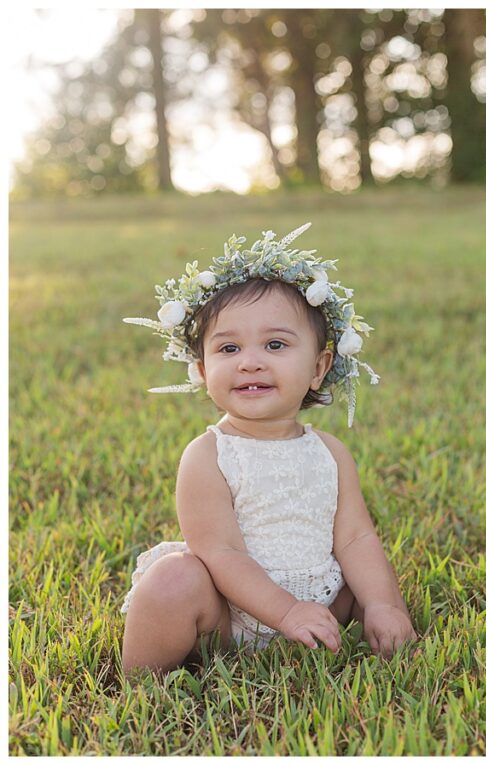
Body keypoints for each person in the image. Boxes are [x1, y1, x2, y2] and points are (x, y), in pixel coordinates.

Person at [120, 223, 417, 676]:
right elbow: (222, 554)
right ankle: (143, 682)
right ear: (202, 369)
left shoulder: (330, 452)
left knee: (364, 576)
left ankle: (371, 623)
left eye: (275, 344)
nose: (250, 361)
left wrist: (384, 604)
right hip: (229, 617)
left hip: (321, 603)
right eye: (229, 348)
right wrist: (285, 612)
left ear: (319, 367)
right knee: (173, 580)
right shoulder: (208, 456)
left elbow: (356, 538)